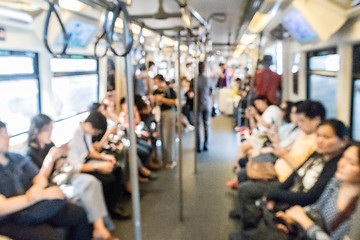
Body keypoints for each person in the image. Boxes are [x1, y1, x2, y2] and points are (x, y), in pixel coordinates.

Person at [230, 119, 349, 240]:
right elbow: (296, 174)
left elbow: (310, 197)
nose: (320, 140)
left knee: (249, 191)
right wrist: (274, 193)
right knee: (250, 188)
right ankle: (250, 232)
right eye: (318, 136)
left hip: (301, 201)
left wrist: (275, 195)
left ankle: (251, 234)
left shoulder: (335, 167)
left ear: (343, 141)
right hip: (292, 189)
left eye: (326, 137)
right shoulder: (318, 154)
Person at [27, 114, 118, 240]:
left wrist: (62, 157)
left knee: (93, 182)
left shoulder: (50, 146)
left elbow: (60, 167)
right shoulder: (29, 154)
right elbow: (40, 179)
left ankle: (100, 228)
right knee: (85, 193)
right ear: (38, 130)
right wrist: (50, 159)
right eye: (47, 130)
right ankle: (101, 229)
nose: (50, 133)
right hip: (52, 185)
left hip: (63, 176)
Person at [0, 121, 91, 240]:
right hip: (10, 218)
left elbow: (39, 176)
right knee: (52, 236)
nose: (8, 136)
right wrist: (37, 196)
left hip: (33, 207)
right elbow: (3, 207)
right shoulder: (29, 151)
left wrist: (38, 188)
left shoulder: (17, 158)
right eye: (2, 133)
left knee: (78, 212)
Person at [274, 143, 360, 240]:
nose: (341, 164)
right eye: (343, 158)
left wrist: (305, 222)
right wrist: (293, 219)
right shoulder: (336, 183)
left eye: (351, 163)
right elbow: (317, 209)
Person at [66, 111, 126, 221]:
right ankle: (107, 211)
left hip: (86, 161)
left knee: (116, 169)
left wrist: (103, 157)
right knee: (108, 178)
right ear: (89, 125)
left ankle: (113, 205)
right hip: (78, 169)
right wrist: (98, 166)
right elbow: (75, 166)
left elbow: (89, 151)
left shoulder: (86, 131)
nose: (96, 134)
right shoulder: (73, 137)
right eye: (96, 131)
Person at [153, 74, 177, 169]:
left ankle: (171, 160)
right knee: (162, 136)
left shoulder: (169, 90)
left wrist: (162, 99)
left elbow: (174, 102)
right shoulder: (155, 91)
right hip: (159, 114)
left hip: (168, 113)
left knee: (169, 136)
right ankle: (164, 159)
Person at [196, 62, 213, 152]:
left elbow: (191, 94)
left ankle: (198, 146)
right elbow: (211, 93)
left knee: (198, 126)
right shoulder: (208, 80)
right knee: (206, 124)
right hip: (207, 104)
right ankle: (206, 145)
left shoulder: (194, 80)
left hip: (198, 105)